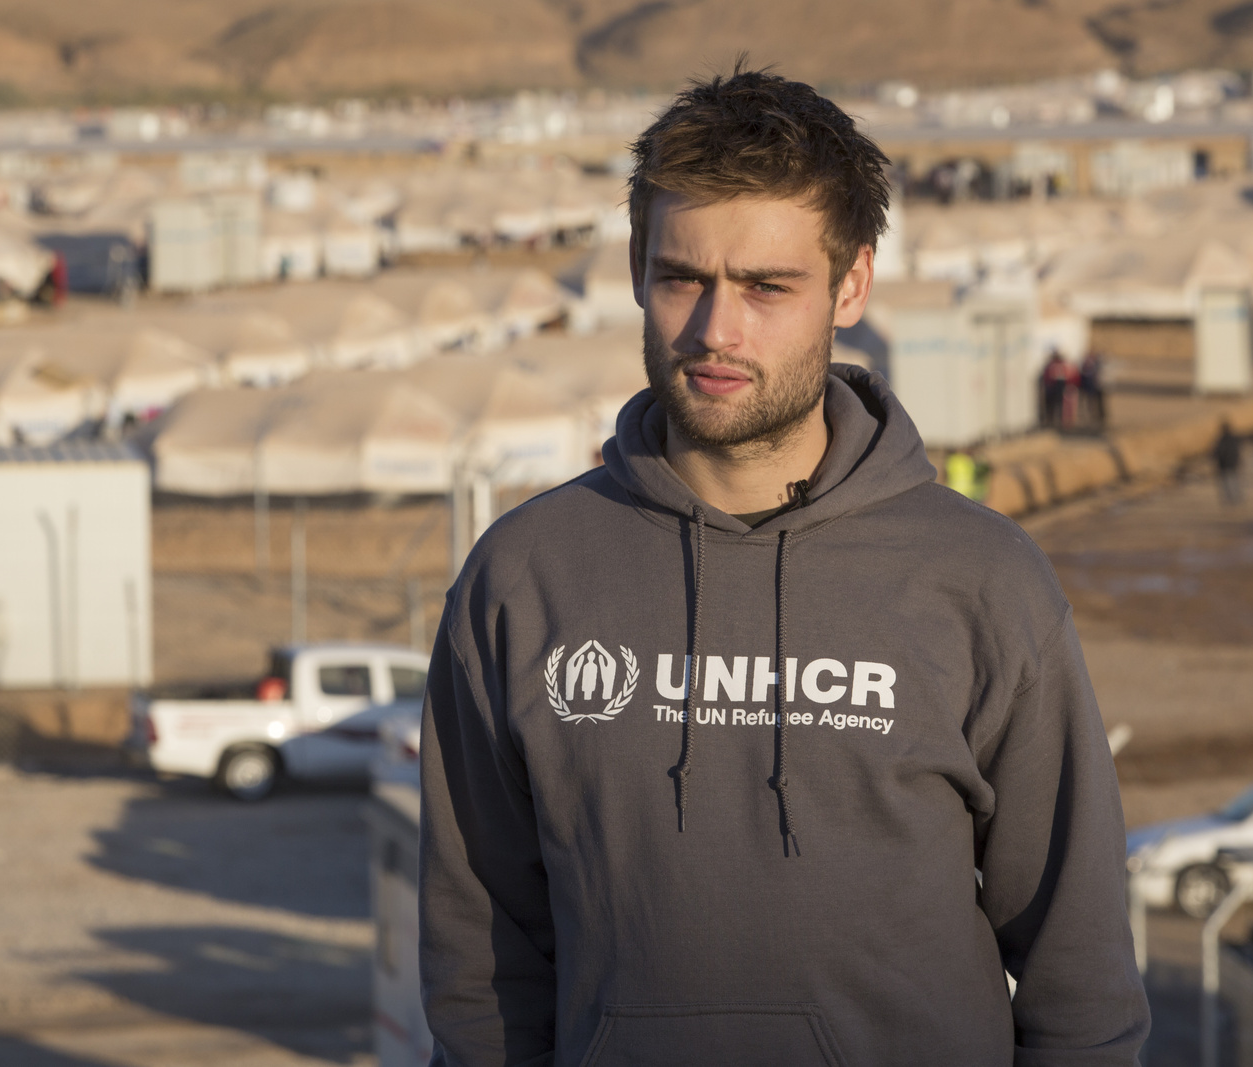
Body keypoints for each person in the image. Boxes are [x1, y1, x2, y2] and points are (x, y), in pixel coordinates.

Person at [419, 65, 1148, 1066]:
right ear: (636, 266)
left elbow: (1081, 974)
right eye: (683, 277)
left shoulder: (980, 580)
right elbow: (481, 953)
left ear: (851, 283)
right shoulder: (523, 577)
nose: (716, 329)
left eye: (767, 286)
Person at [1040, 349, 1072, 429]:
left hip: (1059, 387)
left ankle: (1060, 421)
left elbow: (1068, 376)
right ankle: (1051, 420)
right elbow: (1047, 376)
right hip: (1051, 387)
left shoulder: (1062, 365)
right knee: (1051, 405)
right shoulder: (1050, 365)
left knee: (1060, 405)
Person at [1215, 419, 1244, 504]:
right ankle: (1236, 499)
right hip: (1233, 463)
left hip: (1225, 464)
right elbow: (1238, 451)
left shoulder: (1222, 439)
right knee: (1234, 482)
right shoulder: (1234, 439)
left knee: (1227, 483)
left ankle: (1231, 500)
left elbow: (1219, 452)